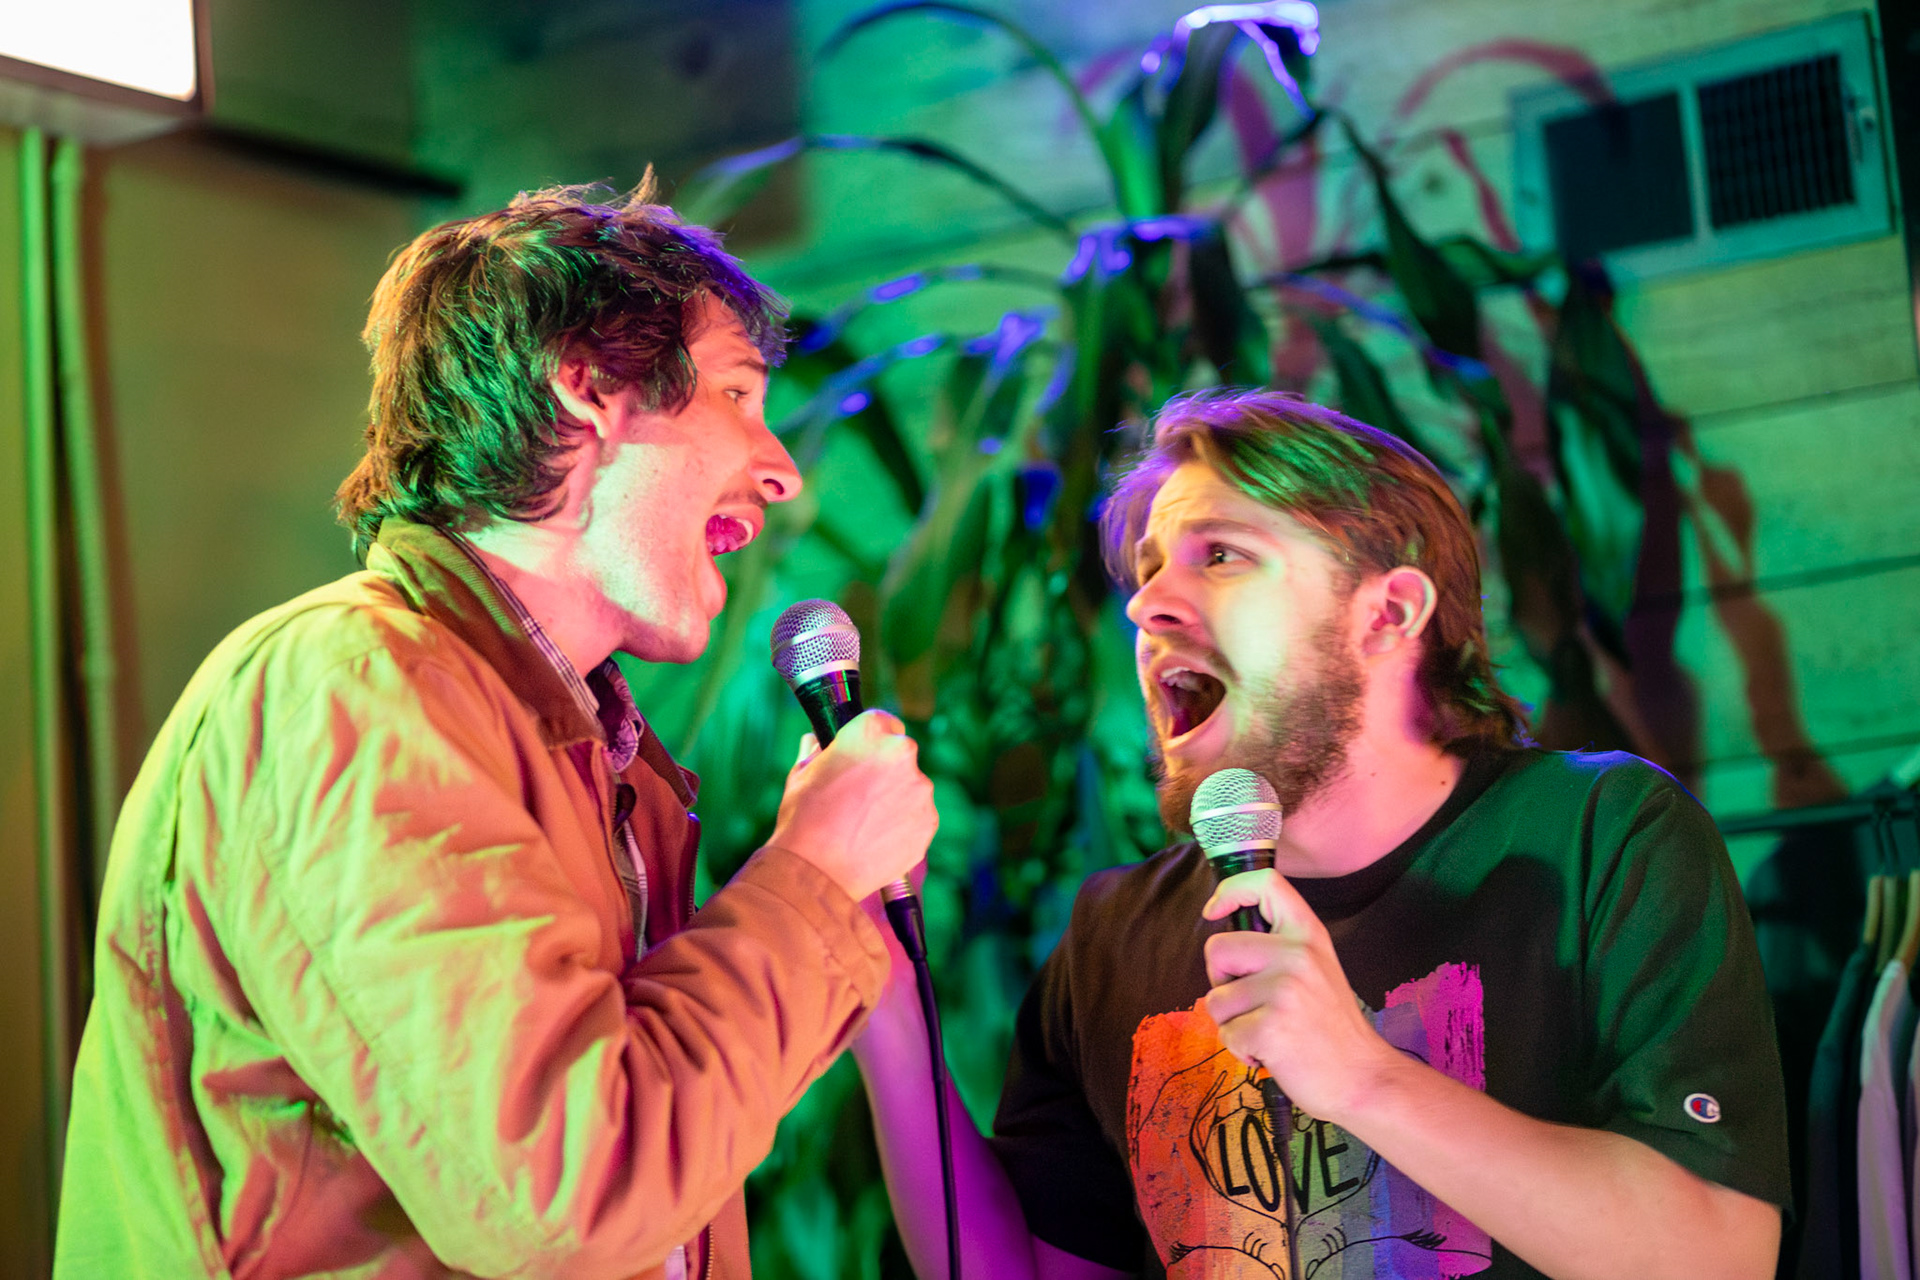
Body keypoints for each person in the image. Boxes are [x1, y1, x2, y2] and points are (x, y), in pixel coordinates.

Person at [55, 182, 936, 1280]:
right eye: (737, 393)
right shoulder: (355, 686)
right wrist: (812, 873)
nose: (781, 468)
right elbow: (573, 1196)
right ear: (589, 385)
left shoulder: (587, 754)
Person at [855, 389, 1789, 1279]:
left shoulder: (1596, 836)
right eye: (1148, 570)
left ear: (1388, 614)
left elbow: (1720, 1257)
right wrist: (884, 998)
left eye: (1221, 555)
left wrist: (1362, 1076)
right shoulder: (1113, 934)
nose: (1145, 605)